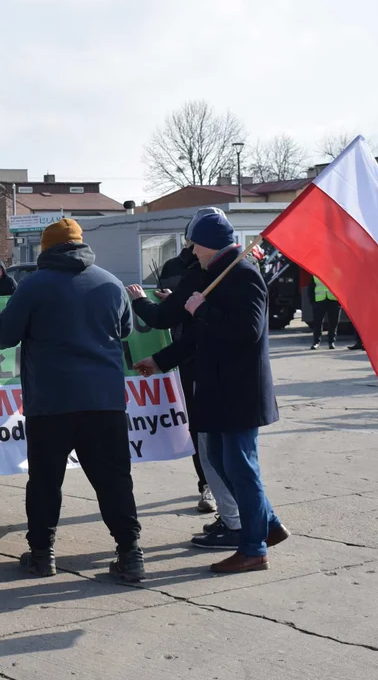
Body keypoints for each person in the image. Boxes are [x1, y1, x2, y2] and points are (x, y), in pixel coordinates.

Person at [134, 210, 289, 574]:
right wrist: (160, 359)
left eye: (194, 245)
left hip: (238, 392)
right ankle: (268, 525)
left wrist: (202, 310)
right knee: (219, 462)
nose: (192, 251)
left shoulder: (242, 274)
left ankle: (253, 548)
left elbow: (248, 331)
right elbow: (200, 338)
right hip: (217, 390)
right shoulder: (214, 275)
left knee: (241, 468)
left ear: (207, 245)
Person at [0, 218, 145, 582]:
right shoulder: (110, 283)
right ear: (81, 245)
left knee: (46, 481)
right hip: (105, 402)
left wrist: (2, 321)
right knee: (114, 480)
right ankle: (130, 555)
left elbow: (4, 337)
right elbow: (123, 329)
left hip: (51, 401)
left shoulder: (33, 286)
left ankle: (42, 556)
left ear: (45, 249)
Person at [126, 208, 221, 515]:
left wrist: (142, 302)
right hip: (187, 356)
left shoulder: (235, 272)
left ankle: (238, 512)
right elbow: (179, 317)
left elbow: (241, 327)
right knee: (200, 429)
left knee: (225, 441)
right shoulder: (179, 267)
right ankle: (211, 487)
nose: (194, 248)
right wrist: (176, 304)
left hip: (219, 368)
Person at [310, 276, 341, 350]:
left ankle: (331, 342)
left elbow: (341, 287)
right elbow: (311, 288)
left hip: (333, 300)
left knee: (333, 322)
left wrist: (340, 302)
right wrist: (313, 302)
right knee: (317, 322)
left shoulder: (336, 272)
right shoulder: (315, 274)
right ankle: (316, 342)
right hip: (319, 300)